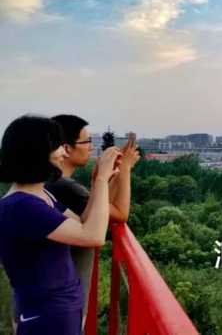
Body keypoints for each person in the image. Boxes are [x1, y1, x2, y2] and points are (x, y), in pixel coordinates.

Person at [0, 114, 120, 334]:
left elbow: (83, 222)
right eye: (57, 145)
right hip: (48, 316)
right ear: (38, 152)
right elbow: (93, 236)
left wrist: (97, 182)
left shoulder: (40, 196)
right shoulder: (23, 206)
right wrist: (103, 179)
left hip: (60, 309)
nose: (64, 151)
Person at [41, 114, 139, 329]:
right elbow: (120, 214)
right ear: (66, 148)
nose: (91, 147)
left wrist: (106, 178)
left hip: (53, 301)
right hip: (63, 305)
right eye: (86, 141)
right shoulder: (65, 187)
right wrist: (125, 169)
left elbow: (99, 208)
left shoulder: (49, 185)